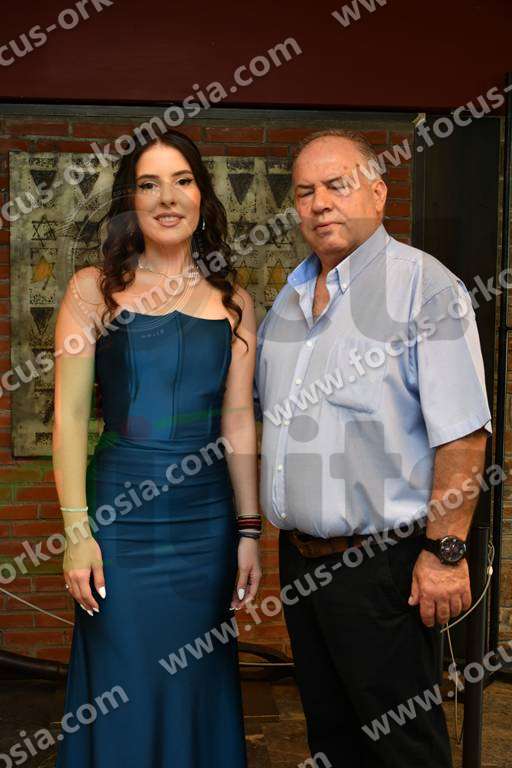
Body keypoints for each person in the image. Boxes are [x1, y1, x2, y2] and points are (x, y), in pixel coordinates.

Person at [254, 128, 492, 767]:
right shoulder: (288, 301)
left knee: (402, 748)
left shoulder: (424, 287)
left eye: (337, 185)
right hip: (301, 562)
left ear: (378, 194)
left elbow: (464, 435)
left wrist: (445, 553)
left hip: (384, 567)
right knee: (332, 739)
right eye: (305, 192)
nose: (319, 203)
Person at [52, 128, 262, 768]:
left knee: (197, 681)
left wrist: (249, 532)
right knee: (122, 682)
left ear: (202, 195)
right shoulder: (92, 289)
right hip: (119, 519)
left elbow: (239, 422)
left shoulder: (235, 303)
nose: (167, 198)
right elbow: (70, 417)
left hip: (205, 525)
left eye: (182, 181)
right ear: (130, 201)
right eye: (149, 184)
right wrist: (76, 532)